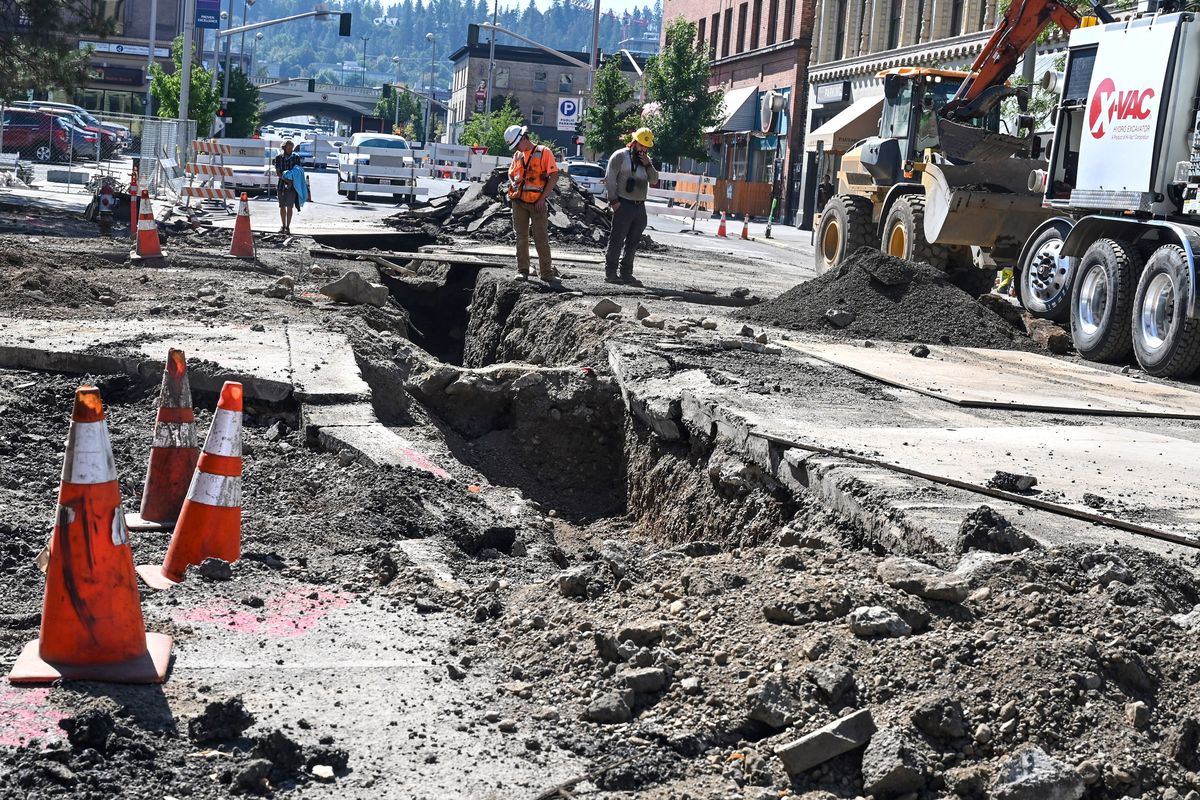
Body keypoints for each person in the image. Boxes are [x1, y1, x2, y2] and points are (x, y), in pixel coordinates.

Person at [504, 124, 558, 284]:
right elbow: (511, 174)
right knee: (521, 237)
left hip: (537, 203)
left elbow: (554, 176)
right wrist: (513, 183)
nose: (517, 148)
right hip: (519, 201)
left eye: (517, 144)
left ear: (523, 138)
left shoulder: (544, 152)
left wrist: (542, 198)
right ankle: (523, 271)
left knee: (541, 238)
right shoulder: (517, 155)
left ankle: (546, 273)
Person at [604, 127, 658, 285]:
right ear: (634, 143)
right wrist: (614, 202)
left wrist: (648, 165)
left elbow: (654, 180)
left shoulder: (646, 161)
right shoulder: (620, 156)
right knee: (617, 240)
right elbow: (610, 178)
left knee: (633, 242)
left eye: (646, 147)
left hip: (639, 207)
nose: (643, 150)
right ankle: (611, 273)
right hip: (623, 204)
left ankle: (626, 273)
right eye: (641, 146)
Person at [273, 140, 303, 234]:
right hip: (281, 185)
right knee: (282, 206)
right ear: (284, 148)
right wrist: (287, 181)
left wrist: (292, 182)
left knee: (290, 206)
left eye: (292, 148)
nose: (290, 150)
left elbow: (298, 172)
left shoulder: (296, 158)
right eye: (288, 148)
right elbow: (278, 173)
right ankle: (283, 225)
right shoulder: (278, 158)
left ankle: (288, 227)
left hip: (293, 186)